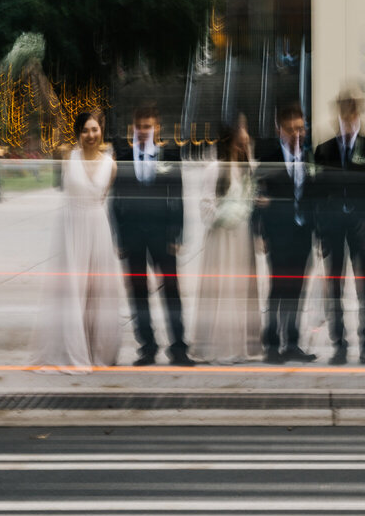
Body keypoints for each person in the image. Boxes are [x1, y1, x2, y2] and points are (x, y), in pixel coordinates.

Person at [30, 111, 124, 371]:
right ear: (78, 133)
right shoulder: (66, 158)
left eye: (94, 129)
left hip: (98, 229)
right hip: (71, 231)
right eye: (85, 130)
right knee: (72, 289)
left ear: (101, 131)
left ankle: (96, 349)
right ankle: (70, 348)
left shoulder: (111, 165)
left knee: (97, 291)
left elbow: (104, 197)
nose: (91, 135)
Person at [110, 104, 193, 366]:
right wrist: (119, 238)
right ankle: (147, 346)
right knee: (137, 292)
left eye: (148, 126)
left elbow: (179, 197)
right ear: (133, 128)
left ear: (157, 127)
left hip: (162, 234)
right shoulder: (123, 155)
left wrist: (177, 235)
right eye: (140, 126)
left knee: (171, 290)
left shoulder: (169, 154)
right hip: (133, 235)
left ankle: (178, 346)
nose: (144, 131)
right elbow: (115, 199)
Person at [311, 85, 365, 365]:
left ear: (358, 113)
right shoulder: (324, 149)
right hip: (333, 229)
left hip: (362, 229)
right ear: (338, 114)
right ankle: (339, 343)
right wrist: (320, 234)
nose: (347, 118)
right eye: (343, 112)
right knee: (335, 287)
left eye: (352, 112)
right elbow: (317, 196)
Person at [253, 104, 317, 364]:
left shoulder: (308, 156)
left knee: (297, 288)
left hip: (303, 231)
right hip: (278, 232)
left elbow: (315, 194)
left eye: (301, 128)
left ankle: (292, 342)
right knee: (278, 288)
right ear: (280, 130)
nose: (297, 134)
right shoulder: (268, 155)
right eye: (292, 130)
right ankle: (271, 343)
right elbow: (258, 196)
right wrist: (260, 233)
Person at [194, 116, 261, 364]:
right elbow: (205, 206)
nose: (244, 140)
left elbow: (251, 197)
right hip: (221, 239)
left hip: (241, 237)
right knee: (222, 288)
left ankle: (241, 343)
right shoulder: (215, 169)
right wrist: (223, 215)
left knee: (240, 288)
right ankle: (220, 344)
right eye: (241, 134)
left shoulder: (246, 168)